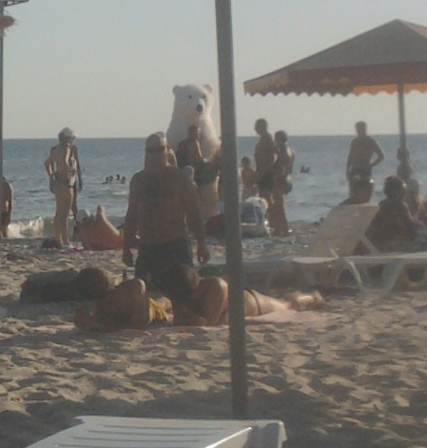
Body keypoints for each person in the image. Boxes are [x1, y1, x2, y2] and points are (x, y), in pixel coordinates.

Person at [122, 132, 210, 286]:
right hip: (148, 247)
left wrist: (201, 244)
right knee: (144, 291)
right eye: (151, 151)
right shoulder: (139, 180)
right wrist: (126, 246)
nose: (155, 154)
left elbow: (193, 211)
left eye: (159, 149)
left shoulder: (179, 178)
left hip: (175, 245)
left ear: (167, 150)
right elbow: (132, 215)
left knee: (184, 290)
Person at [158, 263, 324, 327]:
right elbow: (181, 320)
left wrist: (186, 315)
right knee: (285, 302)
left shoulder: (216, 287)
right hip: (243, 301)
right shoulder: (186, 294)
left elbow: (207, 324)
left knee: (288, 304)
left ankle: (312, 296)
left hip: (255, 304)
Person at [73, 267, 169, 332]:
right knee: (159, 302)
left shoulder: (132, 289)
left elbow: (140, 324)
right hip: (147, 305)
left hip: (153, 309)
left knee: (161, 303)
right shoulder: (100, 302)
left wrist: (101, 326)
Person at [44, 127, 82, 248]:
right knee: (64, 214)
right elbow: (65, 162)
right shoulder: (66, 149)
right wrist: (65, 176)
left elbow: (47, 163)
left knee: (58, 214)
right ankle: (65, 241)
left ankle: (59, 240)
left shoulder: (55, 150)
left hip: (58, 184)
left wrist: (51, 177)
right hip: (66, 184)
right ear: (68, 138)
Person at [365, 175, 420, 252]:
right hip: (393, 247)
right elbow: (412, 230)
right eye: (404, 191)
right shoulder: (400, 206)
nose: (405, 193)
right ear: (398, 192)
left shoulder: (381, 205)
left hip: (378, 246)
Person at [269, 130, 295, 236]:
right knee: (278, 205)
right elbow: (290, 167)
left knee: (279, 206)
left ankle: (284, 229)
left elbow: (286, 168)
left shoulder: (282, 152)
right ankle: (279, 228)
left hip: (281, 181)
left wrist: (279, 176)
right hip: (286, 180)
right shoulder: (290, 150)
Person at [346, 121, 385, 186]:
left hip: (365, 170)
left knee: (365, 188)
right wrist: (347, 169)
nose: (358, 131)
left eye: (360, 129)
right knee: (354, 188)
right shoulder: (354, 142)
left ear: (364, 129)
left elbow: (381, 156)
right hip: (355, 169)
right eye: (357, 129)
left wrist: (371, 165)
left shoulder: (370, 142)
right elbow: (350, 156)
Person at [253, 118, 276, 209]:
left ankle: (271, 215)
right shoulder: (263, 139)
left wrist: (263, 173)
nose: (255, 129)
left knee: (267, 198)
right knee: (263, 197)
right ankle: (268, 215)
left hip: (266, 173)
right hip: (262, 172)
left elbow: (270, 158)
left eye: (257, 127)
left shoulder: (268, 140)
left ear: (262, 127)